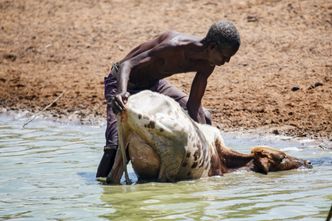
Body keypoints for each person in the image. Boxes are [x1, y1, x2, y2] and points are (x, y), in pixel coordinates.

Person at [96, 20, 241, 178]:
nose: (226, 62)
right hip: (122, 81)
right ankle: (102, 186)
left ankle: (211, 167)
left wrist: (201, 140)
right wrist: (121, 93)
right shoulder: (173, 46)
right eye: (225, 57)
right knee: (114, 146)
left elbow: (194, 105)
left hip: (155, 84)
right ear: (212, 47)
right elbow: (127, 65)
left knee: (205, 116)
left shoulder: (208, 64)